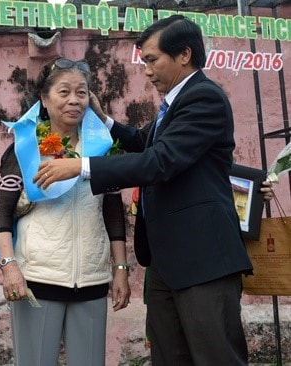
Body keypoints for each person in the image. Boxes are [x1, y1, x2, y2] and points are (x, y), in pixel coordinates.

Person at [33, 15, 268, 365]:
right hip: (167, 261)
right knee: (169, 357)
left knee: (214, 356)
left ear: (184, 54)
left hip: (202, 259)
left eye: (152, 60)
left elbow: (161, 159)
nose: (146, 70)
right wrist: (105, 120)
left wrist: (79, 167)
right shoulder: (175, 103)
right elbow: (145, 142)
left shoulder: (204, 98)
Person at [0, 58, 131, 366]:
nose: (73, 100)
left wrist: (120, 269)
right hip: (37, 280)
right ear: (44, 97)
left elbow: (112, 211)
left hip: (92, 281)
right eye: (64, 91)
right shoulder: (27, 147)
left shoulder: (102, 150)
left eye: (81, 92)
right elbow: (1, 210)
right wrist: (9, 266)